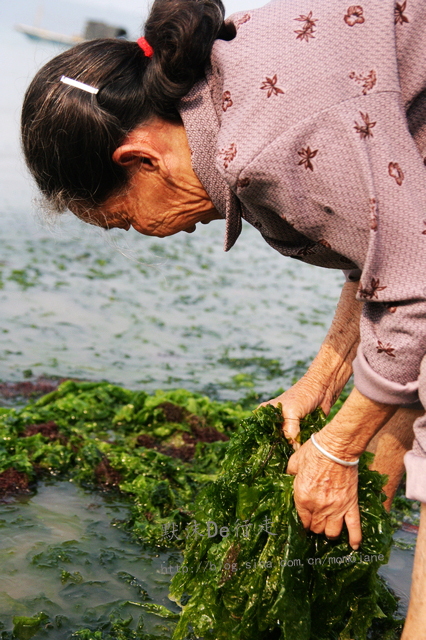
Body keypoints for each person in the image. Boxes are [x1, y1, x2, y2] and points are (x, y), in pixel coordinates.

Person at [20, 0, 426, 636]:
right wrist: (321, 383)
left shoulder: (271, 146)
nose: (148, 235)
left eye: (125, 219)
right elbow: (382, 244)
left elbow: (414, 287)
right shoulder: (236, 89)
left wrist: (337, 447)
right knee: (395, 433)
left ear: (139, 159)